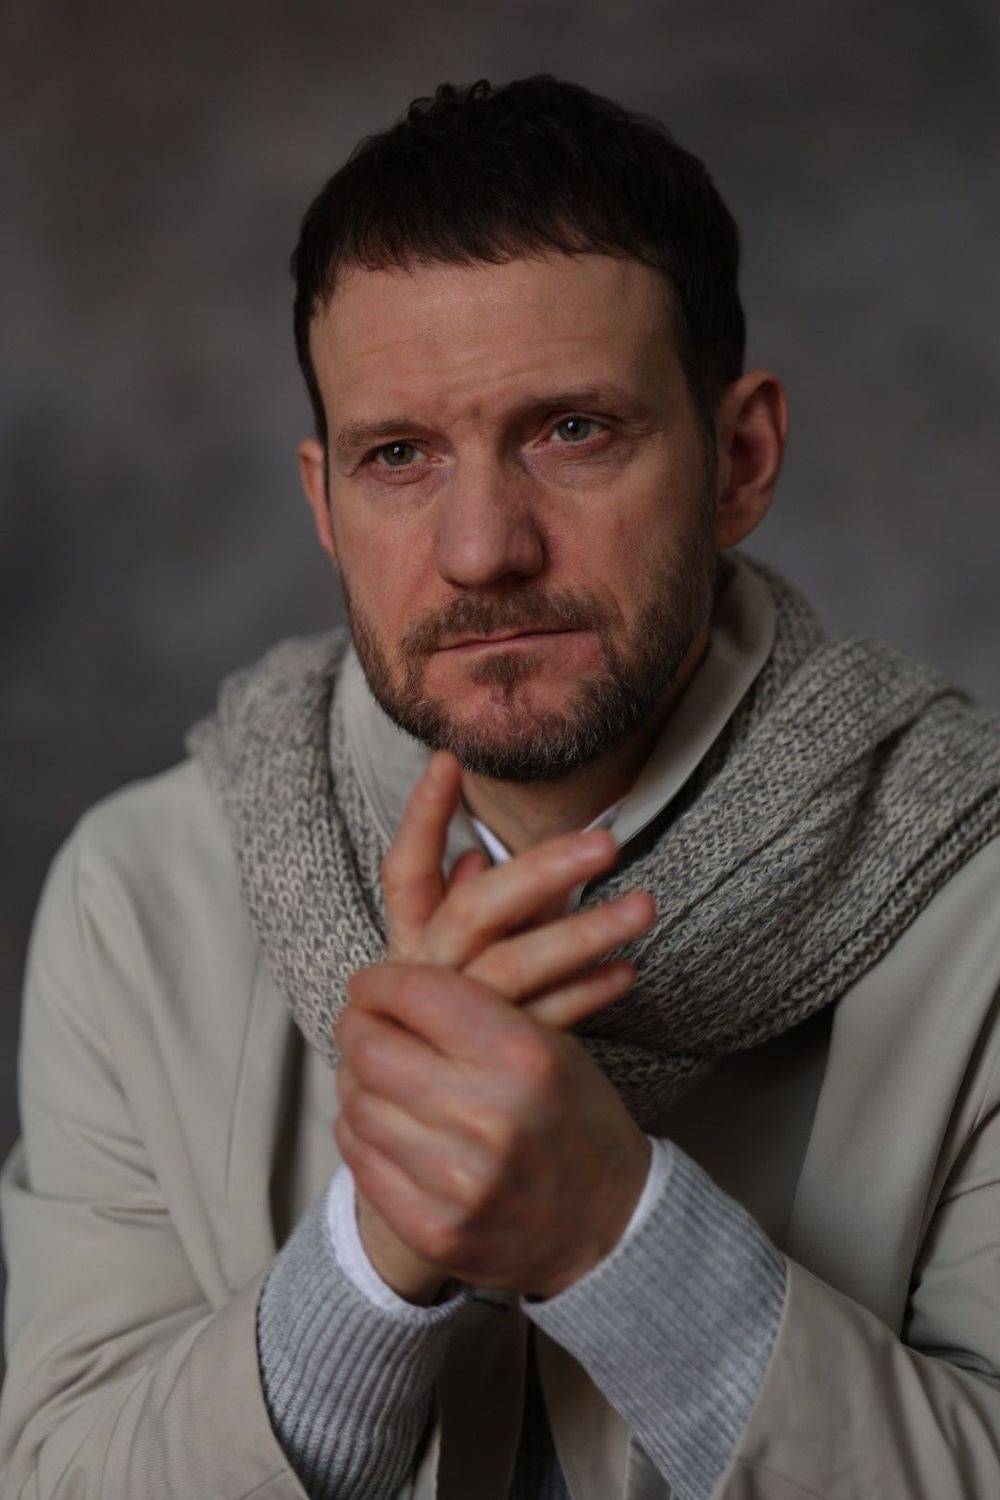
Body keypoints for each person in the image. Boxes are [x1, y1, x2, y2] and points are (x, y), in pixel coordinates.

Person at [1, 72, 999, 1500]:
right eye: (400, 456)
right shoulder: (137, 900)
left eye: (571, 431)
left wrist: (613, 1234)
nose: (482, 550)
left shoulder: (981, 898)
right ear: (324, 504)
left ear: (740, 460)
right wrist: (372, 1261)